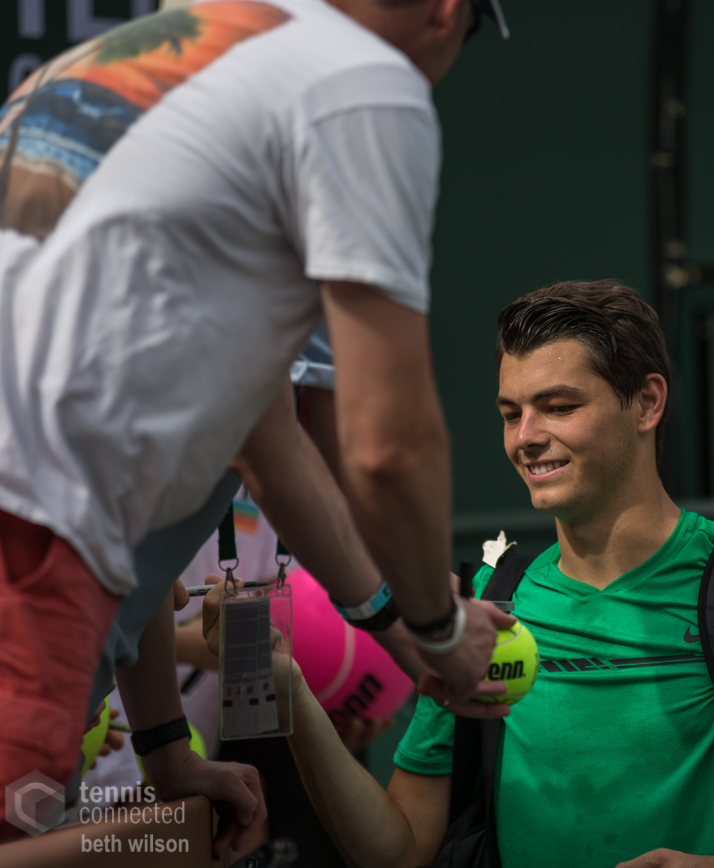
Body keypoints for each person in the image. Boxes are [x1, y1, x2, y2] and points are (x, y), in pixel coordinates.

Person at [204, 280, 714, 868]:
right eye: (511, 413)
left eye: (558, 406)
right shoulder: (489, 602)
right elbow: (399, 850)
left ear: (647, 402)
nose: (526, 438)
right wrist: (287, 688)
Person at [0, 0, 510, 842]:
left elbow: (241, 450)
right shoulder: (364, 87)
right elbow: (382, 449)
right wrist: (437, 627)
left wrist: (166, 748)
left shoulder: (113, 64)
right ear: (447, 13)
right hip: (32, 559)